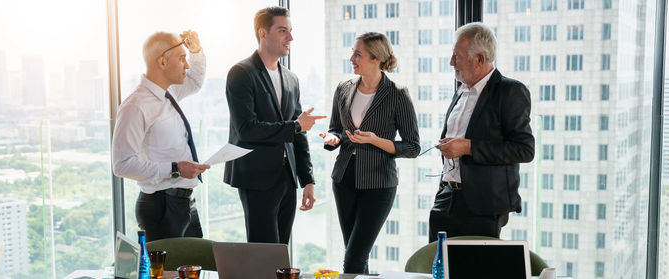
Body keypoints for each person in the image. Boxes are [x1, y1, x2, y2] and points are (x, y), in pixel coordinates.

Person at [224, 6, 325, 244]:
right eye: (282, 31)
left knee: (281, 250)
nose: (290, 37)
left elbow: (299, 134)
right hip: (256, 178)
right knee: (263, 253)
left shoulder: (291, 78)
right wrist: (296, 126)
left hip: (287, 178)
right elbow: (247, 129)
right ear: (263, 33)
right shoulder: (241, 73)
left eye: (290, 30)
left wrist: (308, 180)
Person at [320, 32, 420, 274]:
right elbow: (336, 129)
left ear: (376, 58)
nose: (351, 59)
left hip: (379, 184)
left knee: (354, 257)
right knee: (355, 253)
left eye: (358, 54)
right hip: (344, 179)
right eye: (352, 53)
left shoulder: (397, 94)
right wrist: (333, 138)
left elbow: (413, 147)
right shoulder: (343, 89)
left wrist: (376, 141)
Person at [429, 22, 535, 241]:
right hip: (446, 197)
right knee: (438, 260)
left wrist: (468, 147)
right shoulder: (461, 90)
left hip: (483, 206)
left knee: (475, 262)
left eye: (457, 56)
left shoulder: (510, 91)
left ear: (479, 59)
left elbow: (524, 150)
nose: (451, 62)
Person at [112, 31, 210, 241]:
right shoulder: (135, 106)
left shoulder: (170, 92)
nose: (187, 65)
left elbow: (196, 81)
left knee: (196, 262)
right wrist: (175, 168)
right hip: (162, 206)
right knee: (168, 264)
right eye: (181, 58)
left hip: (185, 203)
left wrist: (195, 51)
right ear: (163, 62)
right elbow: (122, 165)